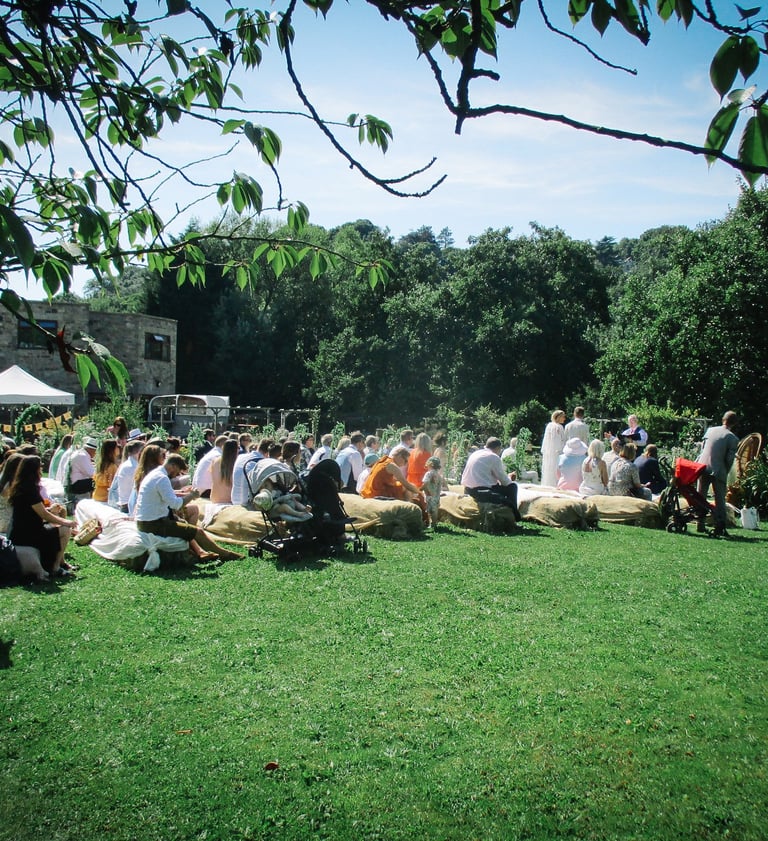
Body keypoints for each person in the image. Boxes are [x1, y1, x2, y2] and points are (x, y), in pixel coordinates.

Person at [135, 453, 239, 561]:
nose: (176, 475)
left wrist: (185, 495)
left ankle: (200, 552)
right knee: (199, 532)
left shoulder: (155, 474)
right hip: (153, 524)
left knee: (183, 523)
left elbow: (167, 497)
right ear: (173, 466)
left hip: (147, 521)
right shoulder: (162, 478)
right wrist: (192, 496)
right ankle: (225, 554)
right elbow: (175, 504)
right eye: (178, 471)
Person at [7, 455, 76, 576]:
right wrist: (66, 522)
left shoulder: (19, 487)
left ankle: (56, 563)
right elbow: (43, 514)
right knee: (65, 530)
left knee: (56, 527)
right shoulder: (30, 489)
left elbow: (32, 510)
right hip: (29, 533)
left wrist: (50, 509)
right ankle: (55, 567)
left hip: (19, 530)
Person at [698, 410, 739, 537]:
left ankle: (700, 523)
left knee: (700, 497)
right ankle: (720, 525)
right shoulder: (732, 438)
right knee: (720, 499)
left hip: (702, 466)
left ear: (723, 420)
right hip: (718, 470)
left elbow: (702, 448)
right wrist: (725, 471)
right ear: (734, 423)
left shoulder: (710, 430)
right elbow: (729, 459)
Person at [460, 437, 521, 519]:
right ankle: (514, 515)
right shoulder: (493, 457)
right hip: (482, 491)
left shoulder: (476, 453)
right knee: (512, 488)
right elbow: (505, 482)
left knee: (504, 489)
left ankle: (513, 514)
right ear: (498, 448)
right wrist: (509, 478)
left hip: (468, 489)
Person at [109, 439, 144, 512]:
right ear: (140, 452)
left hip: (127, 505)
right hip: (130, 506)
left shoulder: (127, 464)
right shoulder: (132, 467)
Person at [67, 436, 98, 503]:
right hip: (76, 484)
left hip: (73, 482)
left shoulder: (81, 453)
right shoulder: (83, 456)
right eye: (95, 451)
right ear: (91, 450)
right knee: (98, 482)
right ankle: (96, 500)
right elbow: (91, 474)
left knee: (94, 481)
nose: (95, 453)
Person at [541, 410, 567, 488]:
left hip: (549, 453)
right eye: (563, 417)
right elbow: (563, 440)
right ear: (558, 417)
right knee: (557, 469)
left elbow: (546, 441)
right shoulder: (559, 427)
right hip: (558, 452)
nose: (564, 418)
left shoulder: (549, 426)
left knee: (549, 469)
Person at [209, 438, 239, 504]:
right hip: (229, 499)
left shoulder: (214, 461)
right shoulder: (236, 463)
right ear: (236, 450)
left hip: (214, 498)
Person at [421, 455, 446, 528]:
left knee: (430, 511)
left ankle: (431, 524)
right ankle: (434, 523)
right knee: (435, 510)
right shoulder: (438, 475)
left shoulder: (429, 473)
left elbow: (426, 483)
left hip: (430, 495)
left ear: (430, 464)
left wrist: (420, 489)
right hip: (437, 496)